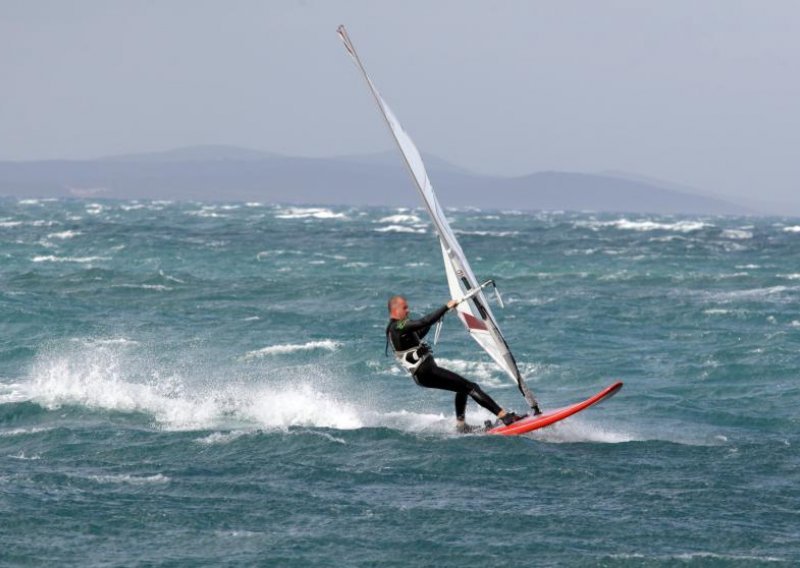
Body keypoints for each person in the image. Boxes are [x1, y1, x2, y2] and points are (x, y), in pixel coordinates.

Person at [385, 295, 526, 433]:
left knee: (462, 388)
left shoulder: (394, 330)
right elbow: (423, 322)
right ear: (395, 310)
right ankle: (504, 416)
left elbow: (419, 333)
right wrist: (446, 307)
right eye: (405, 308)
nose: (408, 310)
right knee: (471, 387)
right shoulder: (398, 326)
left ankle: (461, 426)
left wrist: (438, 316)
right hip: (426, 372)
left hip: (423, 374)